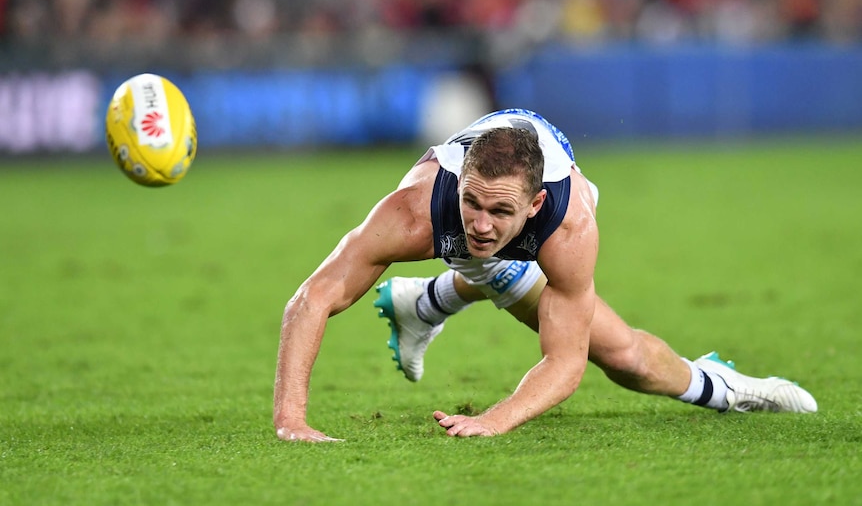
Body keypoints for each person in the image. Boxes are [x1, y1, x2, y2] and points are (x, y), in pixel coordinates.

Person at [273, 108, 816, 442]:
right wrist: (291, 419)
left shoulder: (568, 227)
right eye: (472, 203)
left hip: (547, 209)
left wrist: (496, 419)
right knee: (482, 258)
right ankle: (428, 301)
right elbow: (312, 297)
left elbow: (565, 362)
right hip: (463, 211)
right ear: (459, 182)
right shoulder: (416, 212)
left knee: (622, 356)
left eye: (501, 211)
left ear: (534, 204)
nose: (482, 224)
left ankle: (725, 388)